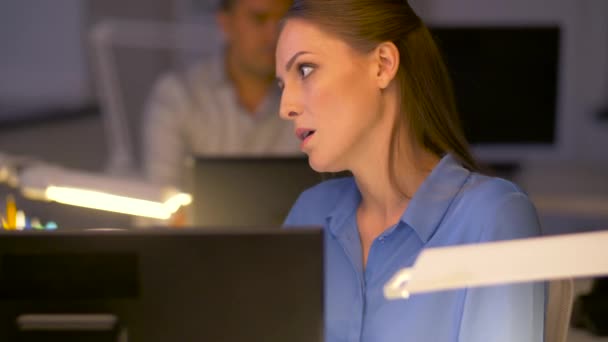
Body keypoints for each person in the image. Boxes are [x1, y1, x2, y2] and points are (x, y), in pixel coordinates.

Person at [276, 1, 545, 341]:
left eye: (304, 70)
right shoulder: (309, 214)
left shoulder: (492, 217)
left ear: (383, 65)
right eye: (281, 85)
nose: (286, 107)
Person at [142, 0, 299, 189]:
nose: (274, 35)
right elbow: (160, 196)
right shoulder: (177, 96)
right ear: (226, 23)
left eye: (284, 22)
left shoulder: (309, 98)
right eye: (259, 18)